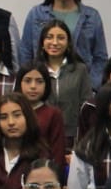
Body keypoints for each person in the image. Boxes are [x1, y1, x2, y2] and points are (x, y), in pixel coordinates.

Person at [19, 0, 108, 85]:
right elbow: (25, 52)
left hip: (80, 86)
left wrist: (91, 86)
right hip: (43, 85)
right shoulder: (36, 14)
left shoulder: (91, 16)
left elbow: (100, 58)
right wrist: (30, 82)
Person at [36, 19, 93, 148]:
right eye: (49, 37)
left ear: (68, 43)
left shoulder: (80, 70)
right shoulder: (34, 70)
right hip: (41, 136)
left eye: (61, 38)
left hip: (73, 137)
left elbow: (87, 106)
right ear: (42, 43)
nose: (55, 42)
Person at [16, 62, 68, 169]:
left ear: (46, 85)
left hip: (42, 171)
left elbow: (58, 152)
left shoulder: (53, 114)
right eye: (27, 81)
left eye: (39, 81)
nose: (33, 86)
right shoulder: (11, 111)